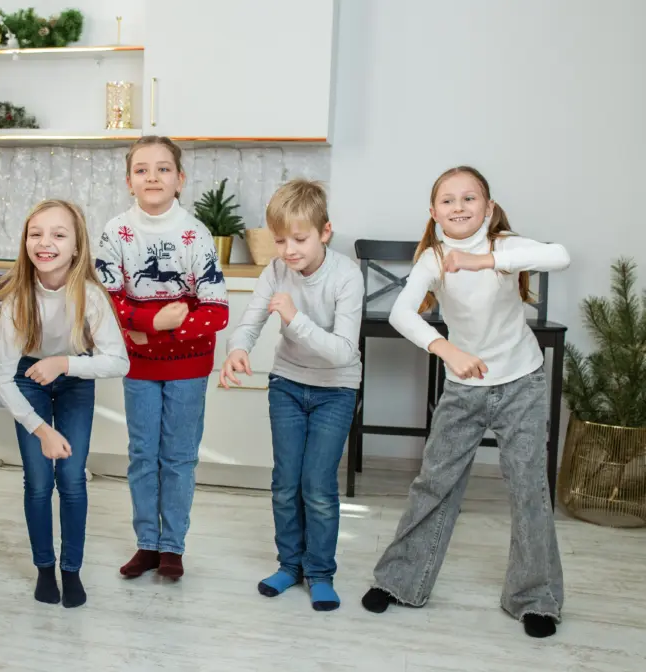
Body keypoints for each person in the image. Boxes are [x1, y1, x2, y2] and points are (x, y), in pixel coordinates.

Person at [360, 165, 569, 639]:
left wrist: (485, 262)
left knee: (528, 489)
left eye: (469, 198)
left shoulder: (506, 246)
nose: (459, 207)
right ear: (433, 213)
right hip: (464, 384)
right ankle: (400, 581)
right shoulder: (433, 258)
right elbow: (399, 312)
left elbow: (561, 255)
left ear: (488, 208)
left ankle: (536, 598)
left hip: (522, 383)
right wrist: (446, 349)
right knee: (434, 483)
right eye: (448, 201)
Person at [220, 179, 363, 610]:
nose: (288, 251)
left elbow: (343, 352)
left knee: (317, 485)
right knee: (285, 483)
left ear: (325, 232)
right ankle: (289, 565)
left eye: (299, 239)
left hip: (335, 390)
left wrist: (295, 318)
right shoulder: (276, 270)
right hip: (287, 384)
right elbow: (249, 321)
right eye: (280, 240)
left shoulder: (346, 276)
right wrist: (238, 349)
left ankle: (320, 572)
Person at [96, 135, 229, 580]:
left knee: (178, 456)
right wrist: (156, 323)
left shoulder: (197, 234)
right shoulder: (116, 232)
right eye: (142, 169)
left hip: (189, 366)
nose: (152, 176)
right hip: (138, 364)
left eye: (163, 169)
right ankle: (146, 544)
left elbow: (217, 310)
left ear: (180, 179)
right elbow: (104, 301)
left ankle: (172, 546)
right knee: (141, 454)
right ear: (129, 180)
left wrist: (154, 327)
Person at [0, 199, 129, 608]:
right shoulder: (18, 298)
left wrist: (66, 363)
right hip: (26, 381)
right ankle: (45, 569)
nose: (44, 243)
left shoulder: (91, 296)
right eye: (36, 234)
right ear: (25, 242)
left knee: (71, 480)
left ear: (76, 247)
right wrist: (41, 429)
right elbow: (0, 378)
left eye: (58, 234)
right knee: (38, 482)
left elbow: (118, 360)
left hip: (73, 381)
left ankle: (72, 570)